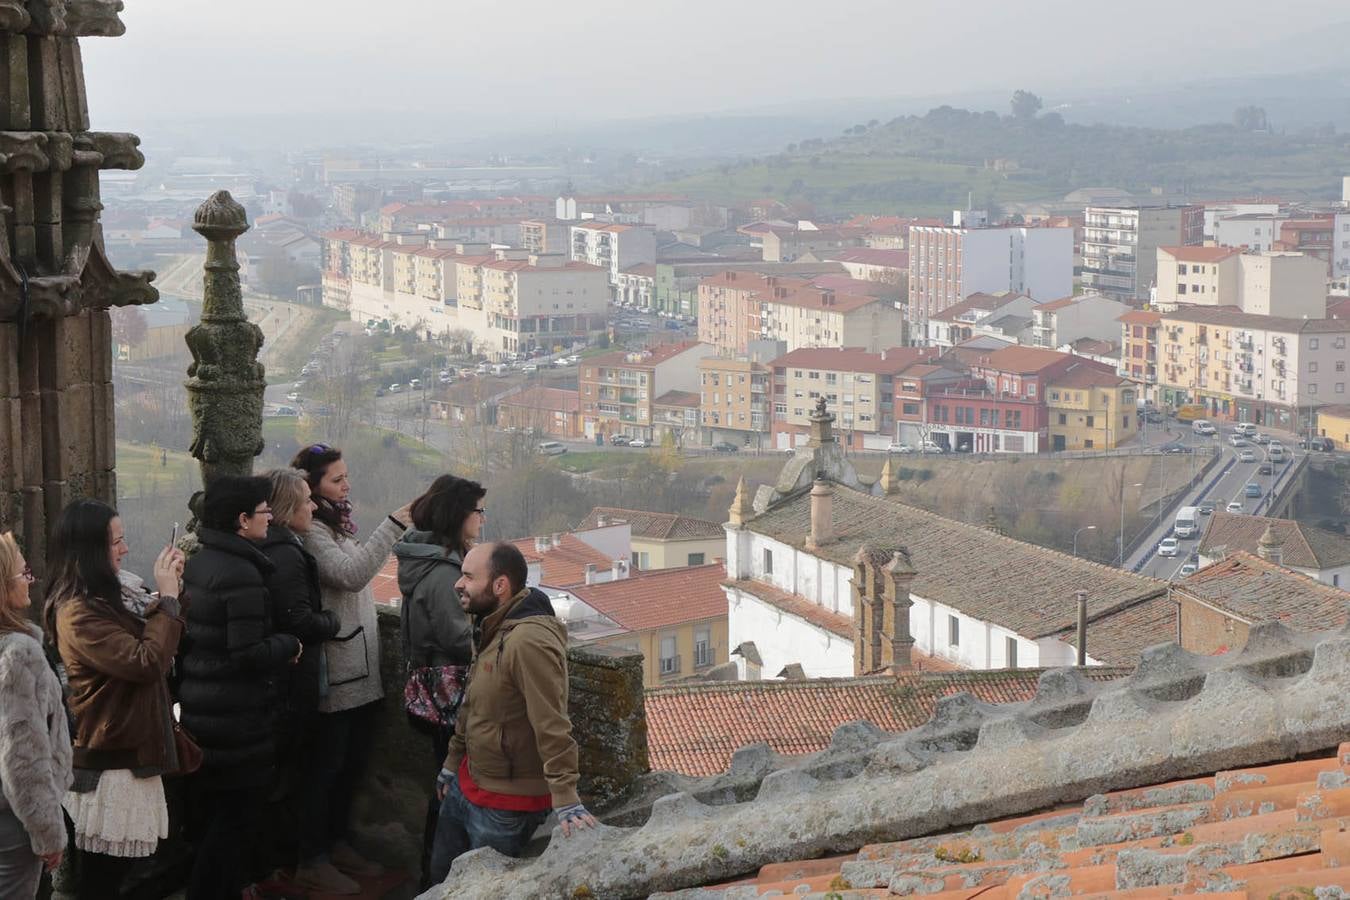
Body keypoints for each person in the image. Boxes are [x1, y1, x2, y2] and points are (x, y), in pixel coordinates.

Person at [427, 543, 596, 884]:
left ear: (499, 586)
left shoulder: (528, 641)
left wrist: (565, 796)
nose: (458, 584)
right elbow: (473, 703)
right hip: (467, 783)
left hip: (506, 806)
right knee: (441, 881)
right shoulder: (493, 625)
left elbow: (552, 723)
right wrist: (451, 764)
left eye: (469, 577)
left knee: (486, 890)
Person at [44, 499, 185, 900]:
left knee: (112, 880)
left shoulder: (111, 597)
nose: (124, 549)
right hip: (109, 765)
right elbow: (146, 662)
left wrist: (171, 596)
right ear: (89, 551)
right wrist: (169, 601)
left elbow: (156, 639)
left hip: (126, 752)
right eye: (116, 542)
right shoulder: (77, 612)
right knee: (101, 884)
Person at [290, 443, 410, 895]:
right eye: (337, 480)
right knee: (325, 770)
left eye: (346, 477)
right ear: (311, 488)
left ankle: (335, 844)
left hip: (358, 670)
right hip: (336, 674)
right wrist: (396, 523)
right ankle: (312, 858)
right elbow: (352, 573)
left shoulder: (333, 525)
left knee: (349, 767)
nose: (347, 485)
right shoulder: (312, 534)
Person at [179, 475, 301, 899]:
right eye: (263, 511)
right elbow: (246, 653)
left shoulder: (202, 561)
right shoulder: (242, 573)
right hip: (237, 722)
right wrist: (290, 643)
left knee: (217, 822)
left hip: (205, 714)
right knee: (233, 826)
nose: (270, 517)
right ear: (242, 520)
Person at [392, 475, 481, 887]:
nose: (481, 518)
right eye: (477, 511)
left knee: (445, 781)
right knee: (453, 785)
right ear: (458, 516)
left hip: (431, 689)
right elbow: (458, 639)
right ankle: (440, 878)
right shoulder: (444, 573)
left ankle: (434, 874)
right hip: (452, 691)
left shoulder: (424, 561)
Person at [259, 469, 340, 816]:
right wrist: (332, 621)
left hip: (279, 681)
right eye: (307, 501)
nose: (314, 508)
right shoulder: (287, 553)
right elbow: (298, 620)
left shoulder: (270, 547)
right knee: (289, 773)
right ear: (288, 509)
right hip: (291, 682)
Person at [0, 532, 72, 900]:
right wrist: (47, 833)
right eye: (21, 572)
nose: (30, 579)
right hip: (13, 820)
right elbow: (22, 756)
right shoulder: (17, 652)